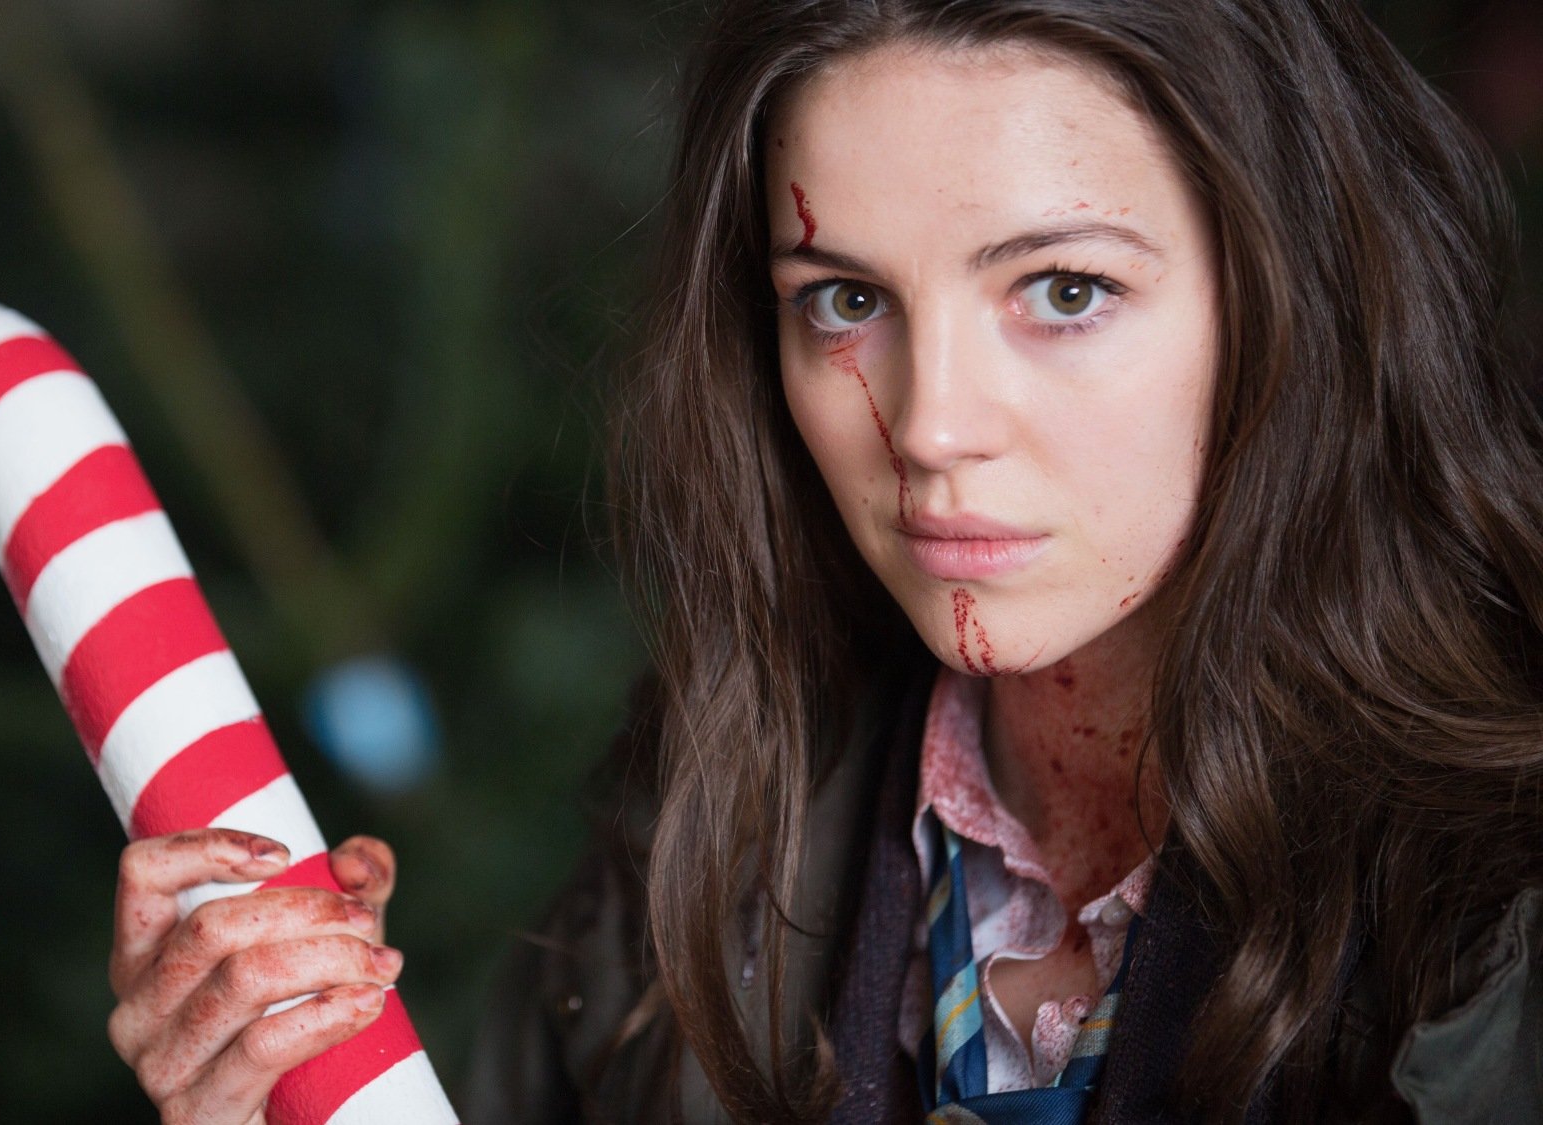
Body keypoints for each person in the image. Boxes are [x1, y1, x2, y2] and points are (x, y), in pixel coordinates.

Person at [104, 0, 1543, 1121]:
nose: (929, 426)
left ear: (1295, 301)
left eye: (1066, 289)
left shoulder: (1499, 915)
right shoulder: (711, 834)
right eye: (845, 298)